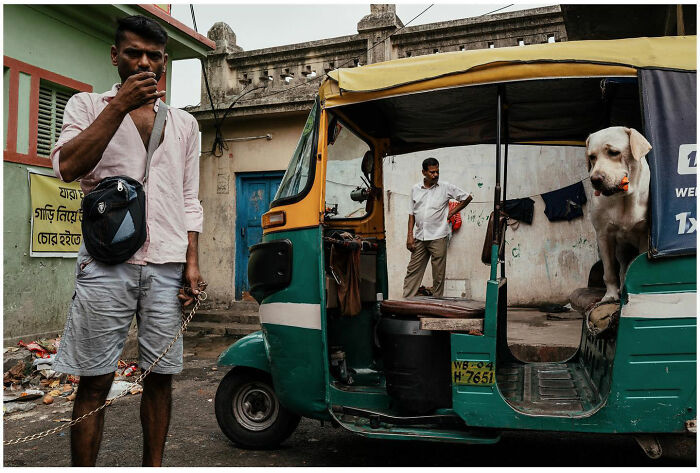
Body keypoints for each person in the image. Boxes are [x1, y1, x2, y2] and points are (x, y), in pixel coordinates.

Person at [49, 15, 205, 467]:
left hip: (167, 264)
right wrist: (118, 106)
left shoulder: (184, 125)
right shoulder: (85, 105)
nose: (143, 62)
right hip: (105, 264)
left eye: (153, 56)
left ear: (165, 62)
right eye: (133, 53)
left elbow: (189, 198)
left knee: (160, 377)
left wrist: (192, 263)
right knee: (95, 380)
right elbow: (67, 167)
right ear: (115, 56)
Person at [403, 157, 472, 298]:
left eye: (437, 171)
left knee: (438, 274)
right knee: (413, 270)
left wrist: (452, 212)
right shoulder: (415, 189)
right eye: (432, 172)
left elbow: (467, 197)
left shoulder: (445, 187)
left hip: (439, 236)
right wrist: (409, 235)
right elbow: (411, 214)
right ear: (424, 172)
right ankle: (407, 301)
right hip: (420, 236)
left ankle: (436, 304)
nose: (435, 175)